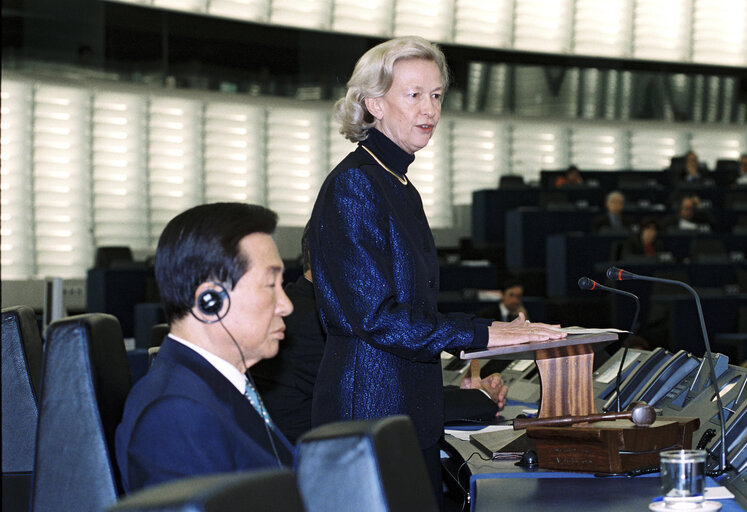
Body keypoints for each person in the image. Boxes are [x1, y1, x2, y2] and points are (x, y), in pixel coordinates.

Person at [306, 36, 565, 506]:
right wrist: (483, 332)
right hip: (369, 411)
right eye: (414, 94)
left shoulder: (398, 183)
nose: (430, 109)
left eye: (437, 95)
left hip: (408, 409)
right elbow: (378, 318)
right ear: (374, 104)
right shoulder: (355, 185)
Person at [252, 226, 508, 444]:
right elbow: (387, 402)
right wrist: (481, 398)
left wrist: (462, 393)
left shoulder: (308, 306)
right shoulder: (313, 323)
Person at [115, 203, 295, 492]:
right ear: (211, 302)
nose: (286, 306)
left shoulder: (218, 386)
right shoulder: (176, 416)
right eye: (270, 285)